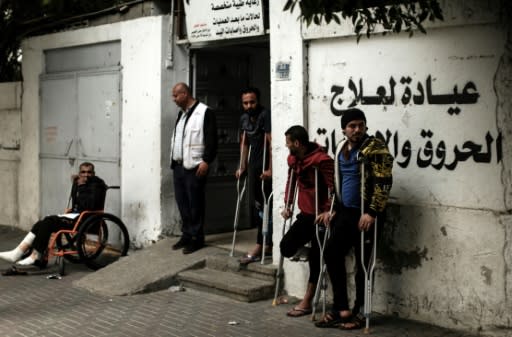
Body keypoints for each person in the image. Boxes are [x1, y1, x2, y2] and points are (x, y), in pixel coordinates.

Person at [315, 108, 393, 330]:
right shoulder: (341, 147)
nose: (357, 129)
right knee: (331, 252)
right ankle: (342, 308)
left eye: (361, 125)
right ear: (344, 129)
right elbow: (339, 181)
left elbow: (383, 182)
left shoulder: (375, 147)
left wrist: (372, 212)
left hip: (366, 214)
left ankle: (361, 312)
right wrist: (332, 209)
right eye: (352, 126)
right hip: (345, 213)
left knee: (363, 264)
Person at [0, 162, 107, 266]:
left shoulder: (96, 186)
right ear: (79, 173)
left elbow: (89, 206)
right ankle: (19, 251)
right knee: (41, 223)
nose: (86, 175)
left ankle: (36, 255)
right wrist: (76, 185)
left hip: (85, 220)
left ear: (93, 173)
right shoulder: (81, 183)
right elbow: (76, 203)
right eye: (83, 172)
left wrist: (82, 187)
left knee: (48, 222)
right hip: (76, 217)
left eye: (89, 172)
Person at [279, 125, 335, 317]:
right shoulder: (293, 159)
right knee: (286, 246)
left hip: (320, 217)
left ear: (297, 143)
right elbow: (291, 181)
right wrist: (287, 204)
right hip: (305, 214)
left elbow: (333, 187)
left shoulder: (322, 160)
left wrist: (328, 209)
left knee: (316, 262)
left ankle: (307, 301)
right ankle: (312, 251)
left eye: (288, 143)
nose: (286, 146)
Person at [170, 82, 218, 254]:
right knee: (182, 203)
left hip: (195, 166)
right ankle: (187, 235)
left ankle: (197, 238)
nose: (173, 99)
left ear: (185, 94)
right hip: (179, 166)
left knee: (195, 204)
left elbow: (212, 140)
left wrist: (206, 161)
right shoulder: (182, 114)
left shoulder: (205, 112)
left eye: (175, 95)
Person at [235, 87, 273, 265]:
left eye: (252, 102)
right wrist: (242, 166)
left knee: (266, 207)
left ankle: (261, 245)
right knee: (259, 206)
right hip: (253, 167)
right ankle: (266, 243)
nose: (249, 106)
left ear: (258, 101)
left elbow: (271, 143)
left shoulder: (266, 115)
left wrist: (271, 169)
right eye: (245, 103)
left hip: (264, 168)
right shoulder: (244, 118)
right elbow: (244, 143)